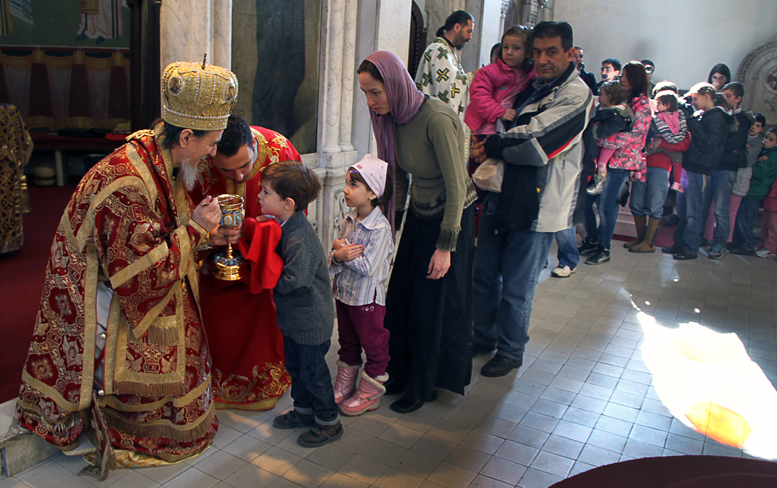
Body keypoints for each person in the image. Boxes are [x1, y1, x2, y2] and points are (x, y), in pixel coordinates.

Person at [15, 61, 238, 477]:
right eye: (210, 143)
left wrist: (204, 236)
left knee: (189, 336)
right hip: (100, 292)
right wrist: (196, 230)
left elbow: (160, 231)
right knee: (172, 349)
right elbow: (140, 279)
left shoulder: (159, 152)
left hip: (130, 276)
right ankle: (127, 420)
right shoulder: (128, 185)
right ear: (185, 136)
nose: (212, 153)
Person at [470, 21, 593, 376]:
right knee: (484, 275)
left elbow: (536, 143)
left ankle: (510, 350)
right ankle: (483, 337)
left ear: (570, 53)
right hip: (502, 193)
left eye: (552, 52)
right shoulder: (533, 86)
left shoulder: (576, 93)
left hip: (537, 205)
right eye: (537, 52)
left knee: (517, 286)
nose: (542, 59)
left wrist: (491, 145)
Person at [358, 51, 476, 413]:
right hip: (421, 213)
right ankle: (399, 372)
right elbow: (397, 179)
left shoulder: (435, 118)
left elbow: (457, 187)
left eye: (375, 92)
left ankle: (422, 386)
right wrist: (386, 231)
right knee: (400, 296)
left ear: (394, 85)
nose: (370, 101)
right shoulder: (392, 118)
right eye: (365, 93)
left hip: (451, 218)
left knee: (430, 305)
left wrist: (445, 247)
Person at [188, 115, 300, 411]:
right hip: (213, 268)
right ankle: (215, 384)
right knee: (218, 327)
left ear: (253, 144)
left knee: (264, 326)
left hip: (263, 267)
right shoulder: (199, 161)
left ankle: (263, 386)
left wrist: (264, 229)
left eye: (245, 166)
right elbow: (184, 210)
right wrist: (208, 235)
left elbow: (297, 210)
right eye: (226, 170)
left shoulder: (279, 150)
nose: (238, 177)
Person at [262, 161, 340, 447]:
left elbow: (296, 280)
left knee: (314, 373)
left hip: (310, 321)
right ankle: (304, 411)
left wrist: (269, 281)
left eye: (266, 192)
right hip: (295, 320)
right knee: (296, 368)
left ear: (288, 203)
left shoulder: (300, 237)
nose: (259, 196)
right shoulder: (285, 226)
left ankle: (328, 421)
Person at [329, 155, 395, 416]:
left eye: (353, 185)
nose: (346, 190)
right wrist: (338, 255)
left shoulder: (380, 228)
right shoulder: (349, 220)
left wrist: (342, 250)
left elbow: (368, 267)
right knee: (346, 340)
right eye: (347, 183)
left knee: (374, 343)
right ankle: (345, 384)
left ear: (372, 193)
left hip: (366, 300)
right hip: (345, 294)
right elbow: (337, 258)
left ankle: (370, 391)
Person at [584, 61, 651, 265]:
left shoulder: (642, 103)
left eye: (625, 76)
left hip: (621, 163)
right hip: (604, 160)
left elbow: (633, 136)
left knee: (606, 206)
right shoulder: (625, 100)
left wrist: (600, 138)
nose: (622, 79)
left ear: (635, 78)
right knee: (587, 203)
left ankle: (604, 248)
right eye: (621, 76)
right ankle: (593, 240)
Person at [662, 83, 732, 260]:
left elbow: (708, 144)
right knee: (683, 211)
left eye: (695, 99)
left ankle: (690, 248)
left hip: (700, 170)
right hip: (689, 167)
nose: (693, 102)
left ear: (707, 97)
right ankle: (679, 243)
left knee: (693, 212)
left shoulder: (716, 117)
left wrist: (692, 121)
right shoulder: (704, 115)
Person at [629, 90, 691, 253]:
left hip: (661, 167)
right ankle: (641, 239)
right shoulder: (652, 117)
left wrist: (661, 144)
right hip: (642, 164)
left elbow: (684, 143)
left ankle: (649, 242)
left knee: (655, 205)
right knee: (636, 203)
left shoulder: (678, 120)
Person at [700, 82, 753, 251]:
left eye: (728, 96)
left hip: (727, 167)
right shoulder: (717, 114)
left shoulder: (742, 119)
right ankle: (698, 237)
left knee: (721, 208)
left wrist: (716, 142)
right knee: (703, 204)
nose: (724, 99)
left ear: (738, 99)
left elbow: (732, 142)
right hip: (710, 165)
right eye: (723, 95)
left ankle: (720, 243)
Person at [465, 25, 536, 139]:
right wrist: (500, 112)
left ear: (528, 52)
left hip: (508, 126)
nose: (509, 52)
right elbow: (479, 96)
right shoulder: (490, 72)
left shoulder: (529, 74)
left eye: (516, 48)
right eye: (505, 47)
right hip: (486, 126)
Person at [415, 10, 474, 122]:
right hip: (433, 121)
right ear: (457, 27)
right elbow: (446, 92)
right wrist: (472, 77)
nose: (470, 37)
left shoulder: (448, 51)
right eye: (468, 31)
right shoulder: (439, 51)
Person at [731, 128, 777, 256]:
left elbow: (759, 171)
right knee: (742, 217)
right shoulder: (765, 151)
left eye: (771, 139)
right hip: (753, 190)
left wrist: (753, 162)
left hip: (756, 191)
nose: (766, 140)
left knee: (745, 219)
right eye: (766, 137)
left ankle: (747, 245)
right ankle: (740, 243)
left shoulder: (773, 156)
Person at [587, 81, 634, 195]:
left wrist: (591, 129)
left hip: (611, 144)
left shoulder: (619, 116)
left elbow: (601, 132)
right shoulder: (606, 110)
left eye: (601, 94)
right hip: (604, 142)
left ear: (609, 97)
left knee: (602, 162)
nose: (599, 97)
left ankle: (600, 181)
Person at [730, 113, 767, 246]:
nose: (753, 127)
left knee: (733, 212)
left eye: (757, 126)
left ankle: (730, 240)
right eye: (752, 124)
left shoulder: (757, 145)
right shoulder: (740, 136)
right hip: (730, 176)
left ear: (761, 129)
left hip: (741, 179)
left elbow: (744, 160)